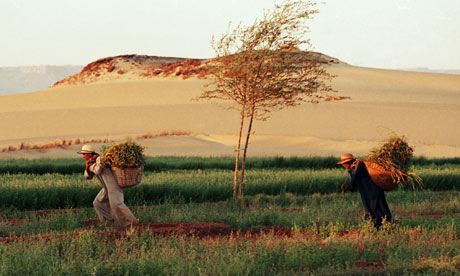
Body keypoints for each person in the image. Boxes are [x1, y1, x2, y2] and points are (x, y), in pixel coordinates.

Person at [78, 144, 138, 227]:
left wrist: (89, 167)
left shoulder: (101, 159)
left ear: (90, 154)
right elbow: (87, 176)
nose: (83, 156)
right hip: (106, 187)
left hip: (113, 186)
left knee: (116, 204)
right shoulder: (90, 162)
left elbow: (98, 170)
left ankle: (131, 222)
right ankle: (107, 222)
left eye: (84, 154)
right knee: (97, 202)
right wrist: (87, 167)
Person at [338, 153, 392, 229]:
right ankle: (375, 227)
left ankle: (388, 225)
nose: (343, 165)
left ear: (348, 162)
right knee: (369, 210)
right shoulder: (352, 169)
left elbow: (355, 175)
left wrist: (351, 173)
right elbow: (353, 187)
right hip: (365, 193)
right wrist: (347, 187)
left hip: (374, 190)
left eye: (344, 164)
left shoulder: (359, 164)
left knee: (378, 208)